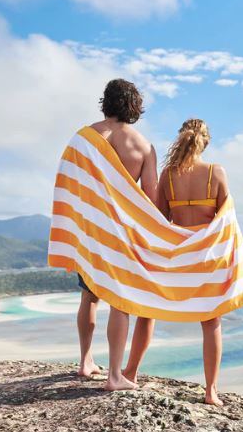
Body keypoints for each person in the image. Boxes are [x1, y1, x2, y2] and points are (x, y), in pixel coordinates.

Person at [76, 78, 157, 391]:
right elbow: (150, 198)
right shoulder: (143, 146)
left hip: (91, 229)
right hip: (123, 233)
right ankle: (114, 375)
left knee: (89, 295)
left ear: (105, 102)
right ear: (135, 106)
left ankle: (85, 361)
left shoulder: (86, 137)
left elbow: (73, 182)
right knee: (121, 302)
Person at [156, 118, 229, 406]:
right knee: (211, 323)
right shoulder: (216, 172)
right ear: (206, 142)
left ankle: (128, 371)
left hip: (179, 259)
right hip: (206, 257)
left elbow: (159, 221)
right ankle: (211, 391)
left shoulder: (168, 175)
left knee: (146, 310)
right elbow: (225, 221)